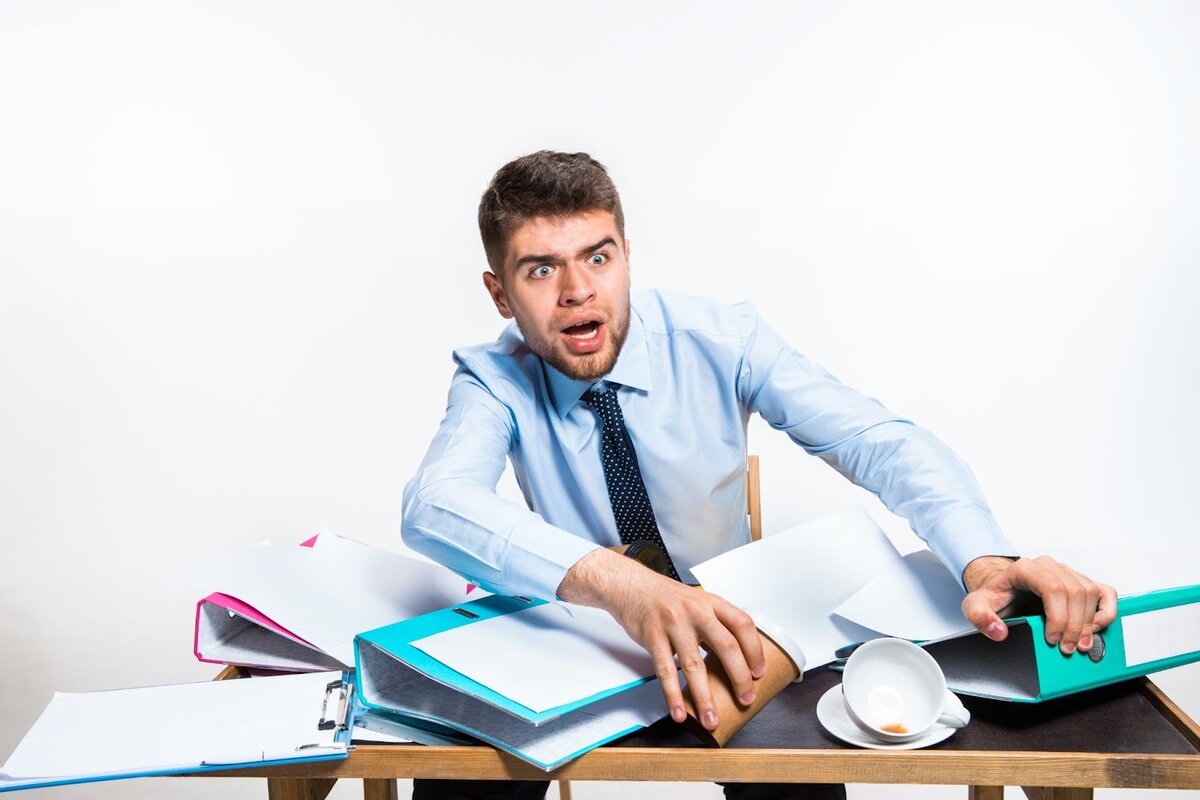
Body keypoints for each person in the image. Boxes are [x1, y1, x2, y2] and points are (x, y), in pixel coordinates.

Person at [402, 150, 1117, 800]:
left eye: (598, 257)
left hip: (740, 639)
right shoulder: (495, 376)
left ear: (627, 258)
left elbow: (878, 442)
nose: (576, 291)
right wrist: (625, 586)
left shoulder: (723, 339)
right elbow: (434, 503)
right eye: (540, 270)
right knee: (460, 779)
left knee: (795, 782)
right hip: (587, 639)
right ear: (501, 294)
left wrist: (984, 559)